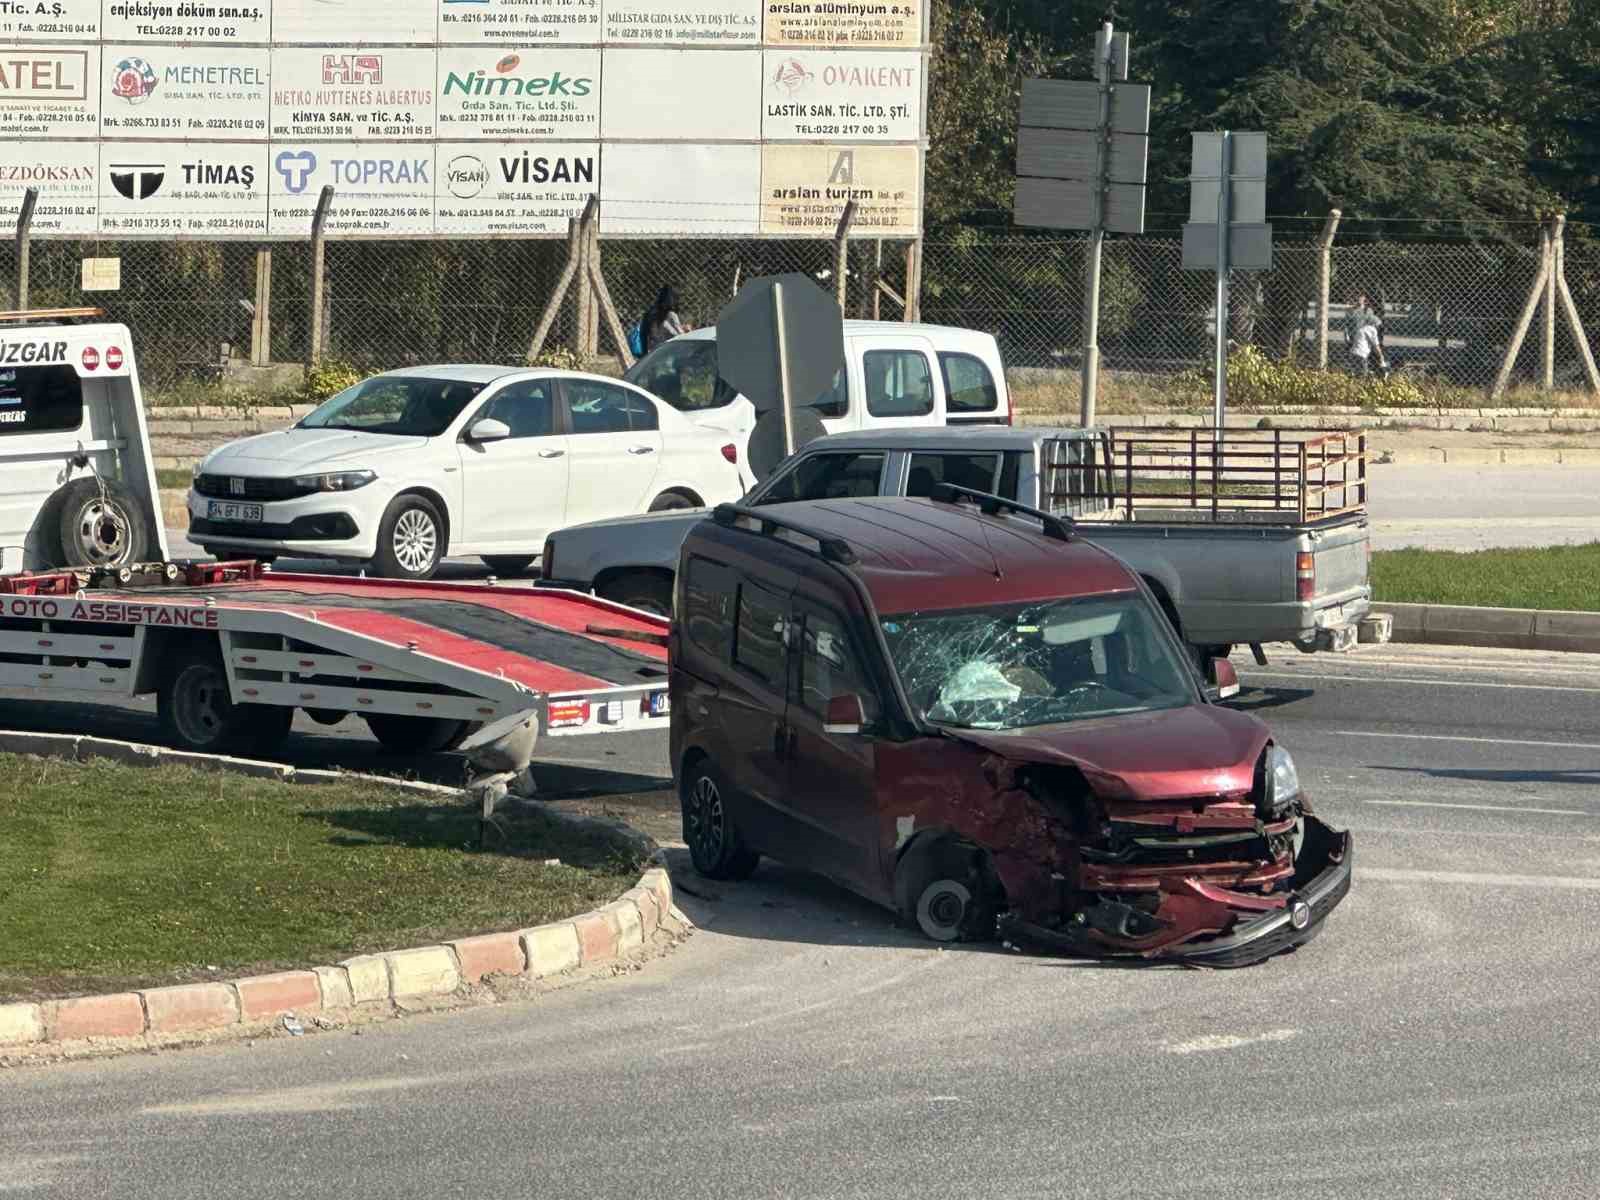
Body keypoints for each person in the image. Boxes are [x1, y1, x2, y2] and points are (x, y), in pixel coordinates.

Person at [1344, 292, 1389, 378]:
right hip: (1355, 338)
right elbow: (1347, 326)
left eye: (1361, 297)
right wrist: (1347, 338)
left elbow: (1376, 321)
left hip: (1366, 338)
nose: (1358, 299)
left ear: (1364, 299)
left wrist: (1380, 325)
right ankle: (1360, 374)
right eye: (1356, 297)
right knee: (1356, 360)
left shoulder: (1367, 311)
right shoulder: (1350, 311)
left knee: (1370, 358)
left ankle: (1375, 373)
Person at [641, 286, 687, 354]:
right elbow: (681, 336)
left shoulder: (650, 313)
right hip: (668, 352)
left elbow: (644, 334)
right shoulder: (671, 315)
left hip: (652, 352)